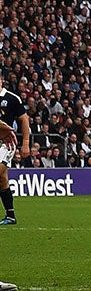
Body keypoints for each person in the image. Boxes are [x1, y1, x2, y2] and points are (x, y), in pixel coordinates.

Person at [0, 79, 26, 226]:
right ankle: (10, 215)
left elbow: (24, 119)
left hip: (6, 144)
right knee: (2, 178)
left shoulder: (11, 98)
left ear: (2, 81)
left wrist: (26, 143)